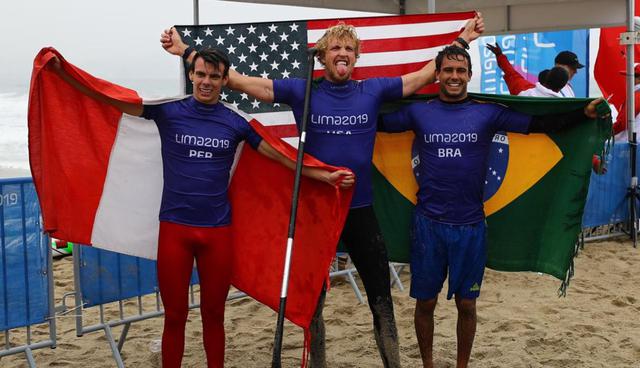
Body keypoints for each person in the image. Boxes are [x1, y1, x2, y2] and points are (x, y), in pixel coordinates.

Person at [161, 14, 484, 368]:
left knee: (381, 296)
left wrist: (463, 40)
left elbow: (424, 76)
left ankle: (392, 361)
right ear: (322, 55)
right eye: (335, 48)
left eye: (348, 48)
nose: (342, 53)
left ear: (356, 57)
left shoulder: (371, 90)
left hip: (359, 209)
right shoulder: (303, 91)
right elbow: (234, 80)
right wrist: (186, 52)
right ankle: (318, 362)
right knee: (313, 299)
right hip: (315, 211)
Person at [46, 48, 354, 368]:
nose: (206, 81)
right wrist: (65, 75)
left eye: (214, 76)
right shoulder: (168, 112)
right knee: (175, 317)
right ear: (191, 75)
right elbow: (111, 99)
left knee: (213, 317)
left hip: (217, 233)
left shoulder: (234, 122)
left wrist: (324, 175)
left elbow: (280, 156)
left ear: (224, 80)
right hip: (175, 231)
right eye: (201, 74)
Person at [378, 46, 602, 368]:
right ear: (437, 75)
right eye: (448, 70)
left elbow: (539, 124)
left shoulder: (488, 113)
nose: (454, 76)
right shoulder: (419, 112)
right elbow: (379, 124)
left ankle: (462, 365)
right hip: (428, 224)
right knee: (425, 302)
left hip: (470, 226)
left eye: (460, 71)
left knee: (467, 305)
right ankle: (427, 363)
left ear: (470, 75)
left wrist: (582, 114)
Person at [486, 43, 570, 97]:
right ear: (562, 87)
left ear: (547, 78)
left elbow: (511, 73)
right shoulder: (564, 106)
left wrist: (499, 55)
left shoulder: (523, 91)